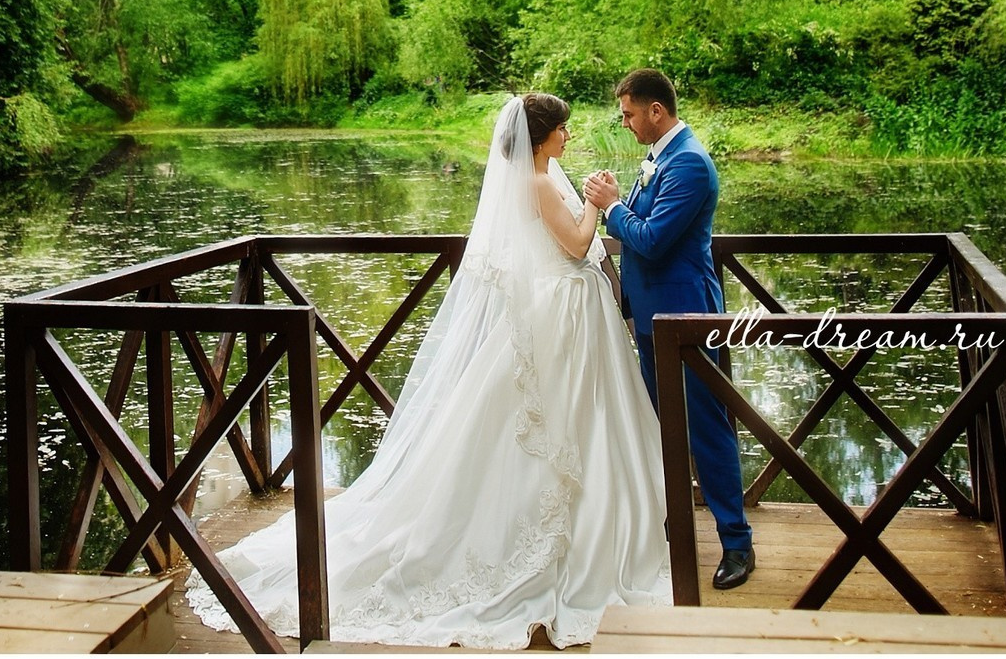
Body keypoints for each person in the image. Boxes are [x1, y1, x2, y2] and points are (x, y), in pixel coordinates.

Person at [187, 93, 672, 647]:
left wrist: (588, 200)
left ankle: (594, 521)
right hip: (559, 315)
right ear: (540, 137)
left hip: (568, 313)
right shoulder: (538, 182)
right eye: (562, 128)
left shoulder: (543, 174)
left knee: (575, 423)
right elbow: (578, 245)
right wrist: (597, 204)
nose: (568, 135)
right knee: (549, 428)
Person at [582, 67, 755, 590]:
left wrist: (611, 207)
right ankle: (669, 527)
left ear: (656, 111)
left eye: (629, 114)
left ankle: (737, 543)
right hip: (653, 316)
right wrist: (620, 201)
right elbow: (642, 224)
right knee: (657, 424)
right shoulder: (661, 157)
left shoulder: (690, 164)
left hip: (687, 316)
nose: (626, 123)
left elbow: (653, 240)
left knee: (706, 427)